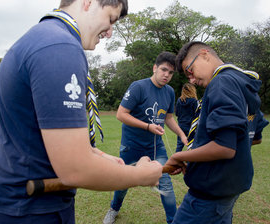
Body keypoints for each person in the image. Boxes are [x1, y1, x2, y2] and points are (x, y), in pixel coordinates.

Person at [0, 0, 164, 223]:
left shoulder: (40, 38)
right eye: (110, 19)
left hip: (15, 204)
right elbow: (74, 169)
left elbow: (33, 134)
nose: (110, 32)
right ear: (88, 2)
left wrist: (97, 155)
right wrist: (141, 175)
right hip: (33, 211)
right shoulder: (60, 47)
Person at [164, 41, 266, 224]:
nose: (192, 80)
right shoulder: (244, 83)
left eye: (190, 70)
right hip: (231, 186)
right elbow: (253, 138)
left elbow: (225, 147)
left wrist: (178, 156)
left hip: (209, 193)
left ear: (204, 54)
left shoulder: (222, 82)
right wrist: (197, 156)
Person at [103, 51, 188, 224]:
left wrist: (180, 133)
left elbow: (168, 118)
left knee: (165, 184)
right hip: (131, 146)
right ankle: (114, 208)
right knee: (123, 183)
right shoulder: (138, 87)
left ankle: (173, 221)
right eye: (164, 70)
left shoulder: (170, 92)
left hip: (156, 147)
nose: (167, 75)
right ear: (155, 68)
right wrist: (148, 126)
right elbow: (121, 114)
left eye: (171, 73)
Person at [175, 83, 198, 152]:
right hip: (191, 126)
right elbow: (197, 114)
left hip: (181, 125)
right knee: (192, 145)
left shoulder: (179, 100)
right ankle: (190, 160)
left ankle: (176, 160)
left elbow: (177, 113)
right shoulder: (194, 101)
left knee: (179, 145)